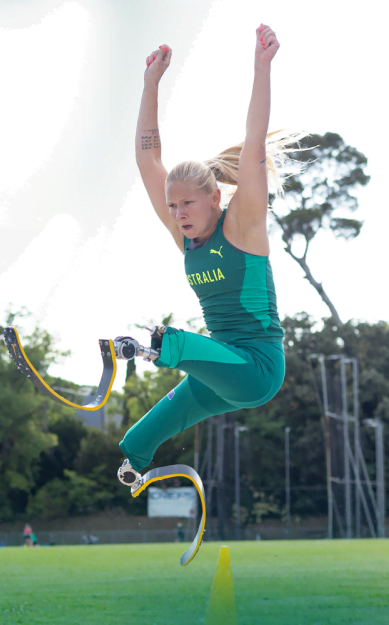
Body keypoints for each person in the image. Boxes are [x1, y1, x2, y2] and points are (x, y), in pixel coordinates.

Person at [116, 25, 297, 491]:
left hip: (256, 368)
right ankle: (134, 464)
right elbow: (147, 160)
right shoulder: (186, 237)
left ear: (216, 197)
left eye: (186, 204)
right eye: (172, 206)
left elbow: (254, 143)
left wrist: (262, 67)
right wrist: (150, 85)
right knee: (143, 432)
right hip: (217, 364)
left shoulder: (242, 225)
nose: (177, 214)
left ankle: (155, 346)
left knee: (176, 344)